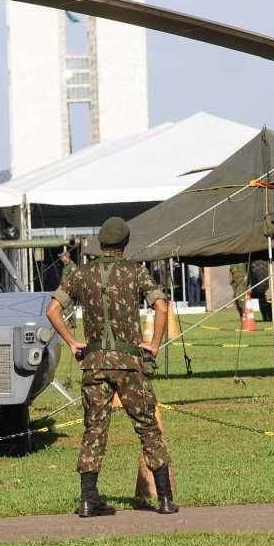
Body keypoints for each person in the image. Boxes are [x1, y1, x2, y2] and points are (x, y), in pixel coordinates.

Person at [45, 217, 177, 517]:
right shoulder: (136, 272)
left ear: (100, 244)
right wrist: (154, 344)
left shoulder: (81, 274)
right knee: (148, 428)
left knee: (94, 428)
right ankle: (165, 498)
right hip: (130, 364)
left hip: (94, 365)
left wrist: (72, 342)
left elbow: (52, 310)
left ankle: (89, 499)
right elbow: (161, 305)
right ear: (124, 244)